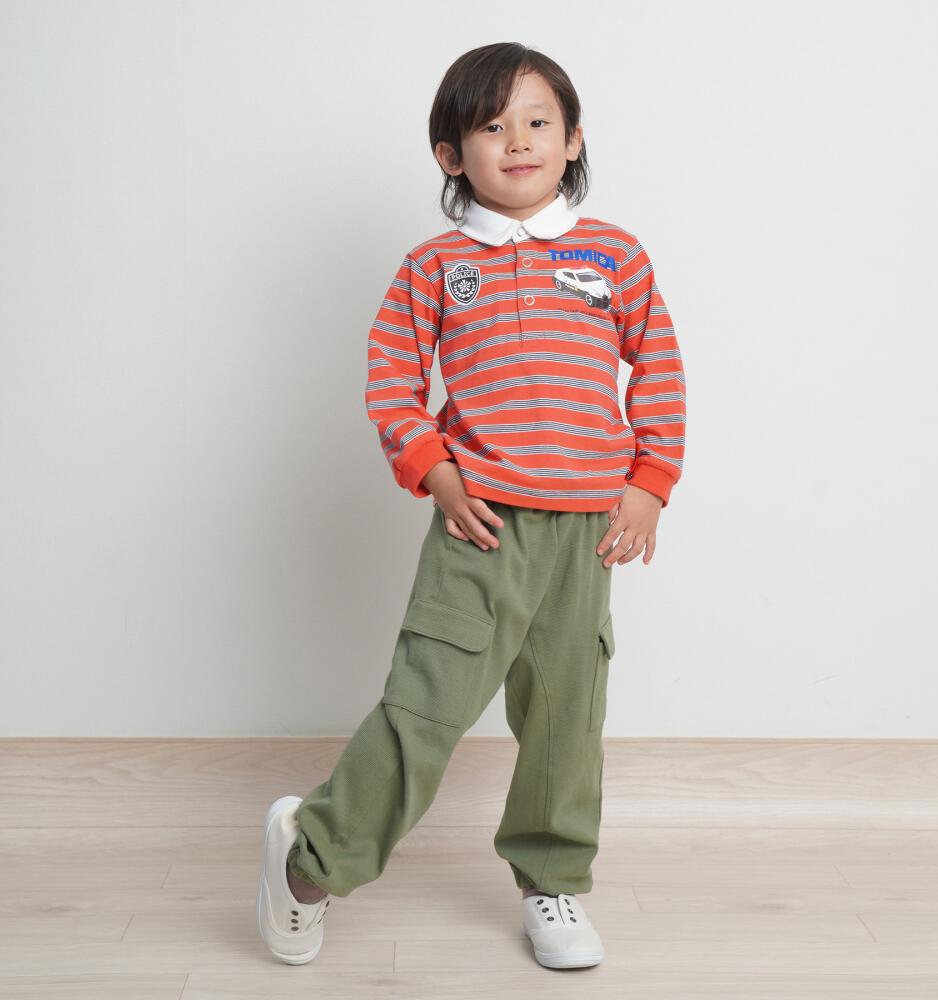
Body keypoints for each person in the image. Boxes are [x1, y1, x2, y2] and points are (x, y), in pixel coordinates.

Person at [256, 41, 686, 971]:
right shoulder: (435, 267)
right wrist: (438, 474)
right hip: (480, 528)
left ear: (573, 140)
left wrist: (650, 484)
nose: (517, 140)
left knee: (567, 718)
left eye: (537, 122)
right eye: (492, 126)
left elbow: (658, 366)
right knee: (425, 710)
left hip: (587, 535)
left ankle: (553, 881)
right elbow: (392, 382)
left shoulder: (614, 255)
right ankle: (311, 860)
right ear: (452, 154)